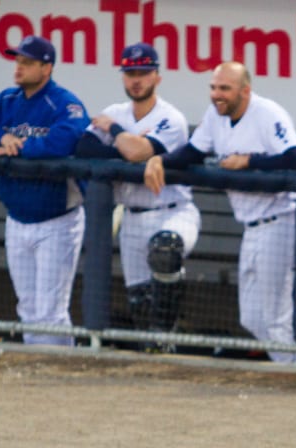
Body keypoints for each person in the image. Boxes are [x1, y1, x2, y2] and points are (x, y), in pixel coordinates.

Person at [144, 61, 296, 363]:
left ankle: (295, 374)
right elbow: (192, 152)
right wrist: (159, 160)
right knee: (251, 316)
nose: (217, 94)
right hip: (251, 226)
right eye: (214, 87)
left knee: (274, 314)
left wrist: (249, 161)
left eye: (225, 88)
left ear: (245, 90)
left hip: (279, 219)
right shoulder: (216, 117)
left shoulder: (267, 113)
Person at [0, 35, 90, 346]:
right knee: (28, 306)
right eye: (18, 61)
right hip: (16, 218)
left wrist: (21, 147)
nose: (19, 68)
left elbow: (66, 140)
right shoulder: (6, 100)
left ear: (47, 68)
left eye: (27, 62)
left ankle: (55, 373)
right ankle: (35, 374)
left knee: (51, 310)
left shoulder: (64, 102)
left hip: (57, 220)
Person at [75, 42, 202, 352]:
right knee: (141, 306)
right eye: (130, 72)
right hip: (132, 214)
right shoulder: (114, 111)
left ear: (157, 76)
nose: (136, 79)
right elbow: (83, 149)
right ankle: (158, 355)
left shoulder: (170, 117)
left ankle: (168, 338)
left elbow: (135, 151)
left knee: (166, 250)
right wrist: (127, 150)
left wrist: (118, 134)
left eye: (143, 72)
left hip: (172, 210)